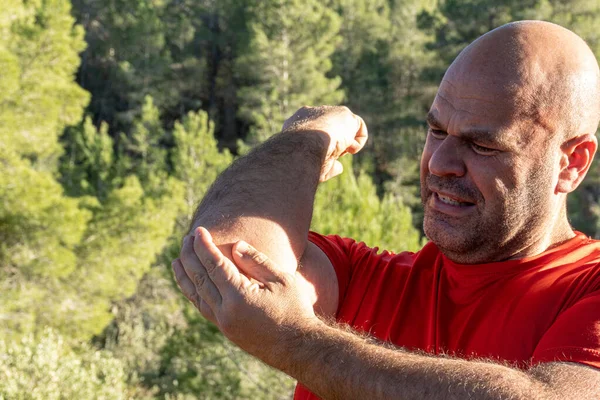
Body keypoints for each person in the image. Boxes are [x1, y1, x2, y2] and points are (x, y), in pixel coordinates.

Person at [172, 20, 600, 399]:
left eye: (483, 145)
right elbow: (222, 259)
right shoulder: (366, 278)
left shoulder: (588, 289)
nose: (439, 164)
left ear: (571, 163)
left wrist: (299, 342)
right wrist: (308, 139)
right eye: (436, 131)